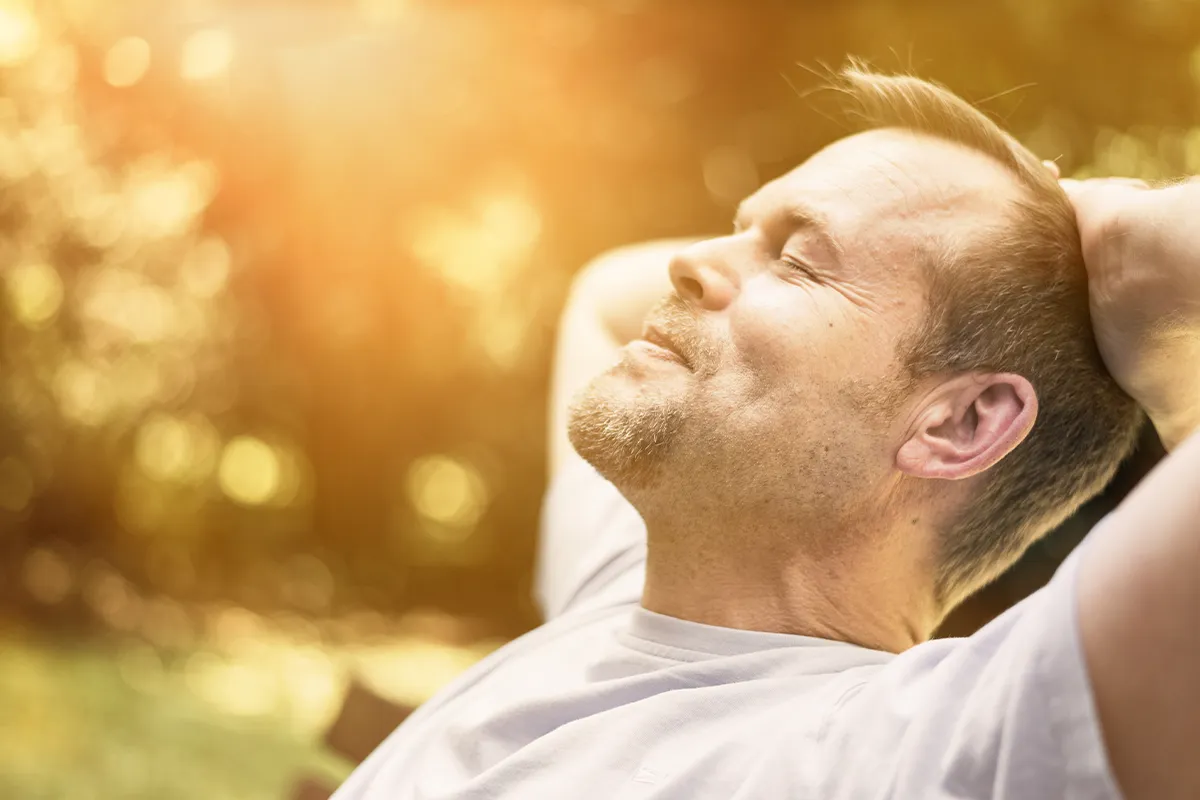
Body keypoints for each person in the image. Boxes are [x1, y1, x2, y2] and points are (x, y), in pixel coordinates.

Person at [333, 66, 1200, 799]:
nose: (689, 262)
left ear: (960, 422)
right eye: (741, 228)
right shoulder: (620, 593)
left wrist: (1123, 242)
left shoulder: (899, 758)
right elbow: (602, 295)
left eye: (796, 257)